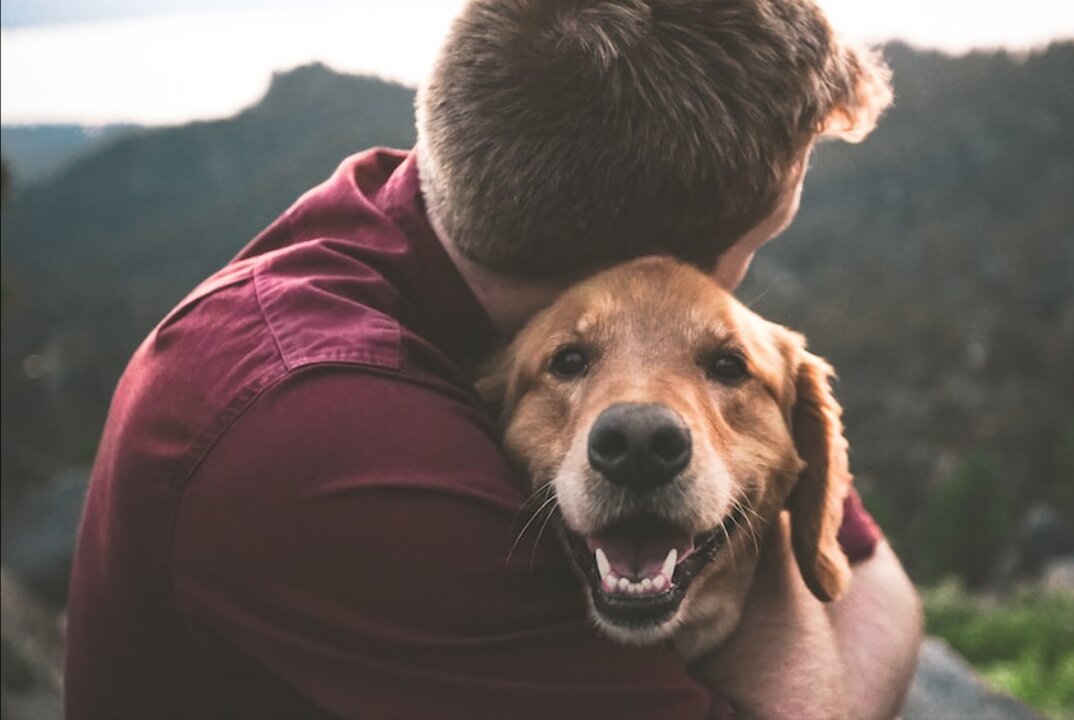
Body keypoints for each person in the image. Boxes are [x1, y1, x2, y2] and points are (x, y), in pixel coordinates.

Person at [64, 0, 921, 717]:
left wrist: (765, 521)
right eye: (761, 239)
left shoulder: (449, 225)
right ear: (651, 263)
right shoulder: (322, 432)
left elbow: (879, 583)